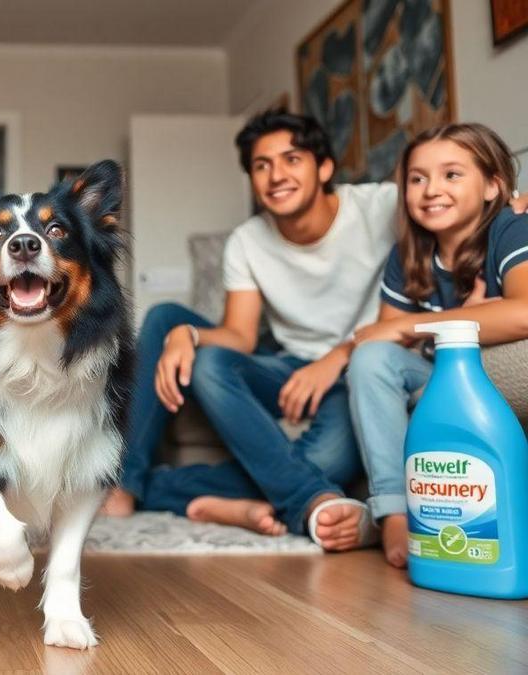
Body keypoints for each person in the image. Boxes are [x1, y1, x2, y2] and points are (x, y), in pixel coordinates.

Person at [101, 109, 396, 548]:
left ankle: (176, 492)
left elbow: (456, 205)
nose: (276, 175)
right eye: (262, 166)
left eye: (292, 159)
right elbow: (238, 335)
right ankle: (125, 482)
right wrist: (189, 335)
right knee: (175, 327)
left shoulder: (382, 207)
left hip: (356, 368)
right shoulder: (248, 240)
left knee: (327, 460)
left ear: (325, 167)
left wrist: (511, 205)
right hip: (286, 367)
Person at [347, 123, 528, 568]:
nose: (431, 190)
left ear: (492, 186)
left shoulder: (508, 229)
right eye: (417, 178)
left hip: (478, 373)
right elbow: (384, 344)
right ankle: (392, 511)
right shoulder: (409, 254)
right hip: (431, 374)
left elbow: (523, 313)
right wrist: (454, 321)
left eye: (452, 175)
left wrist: (419, 323)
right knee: (370, 359)